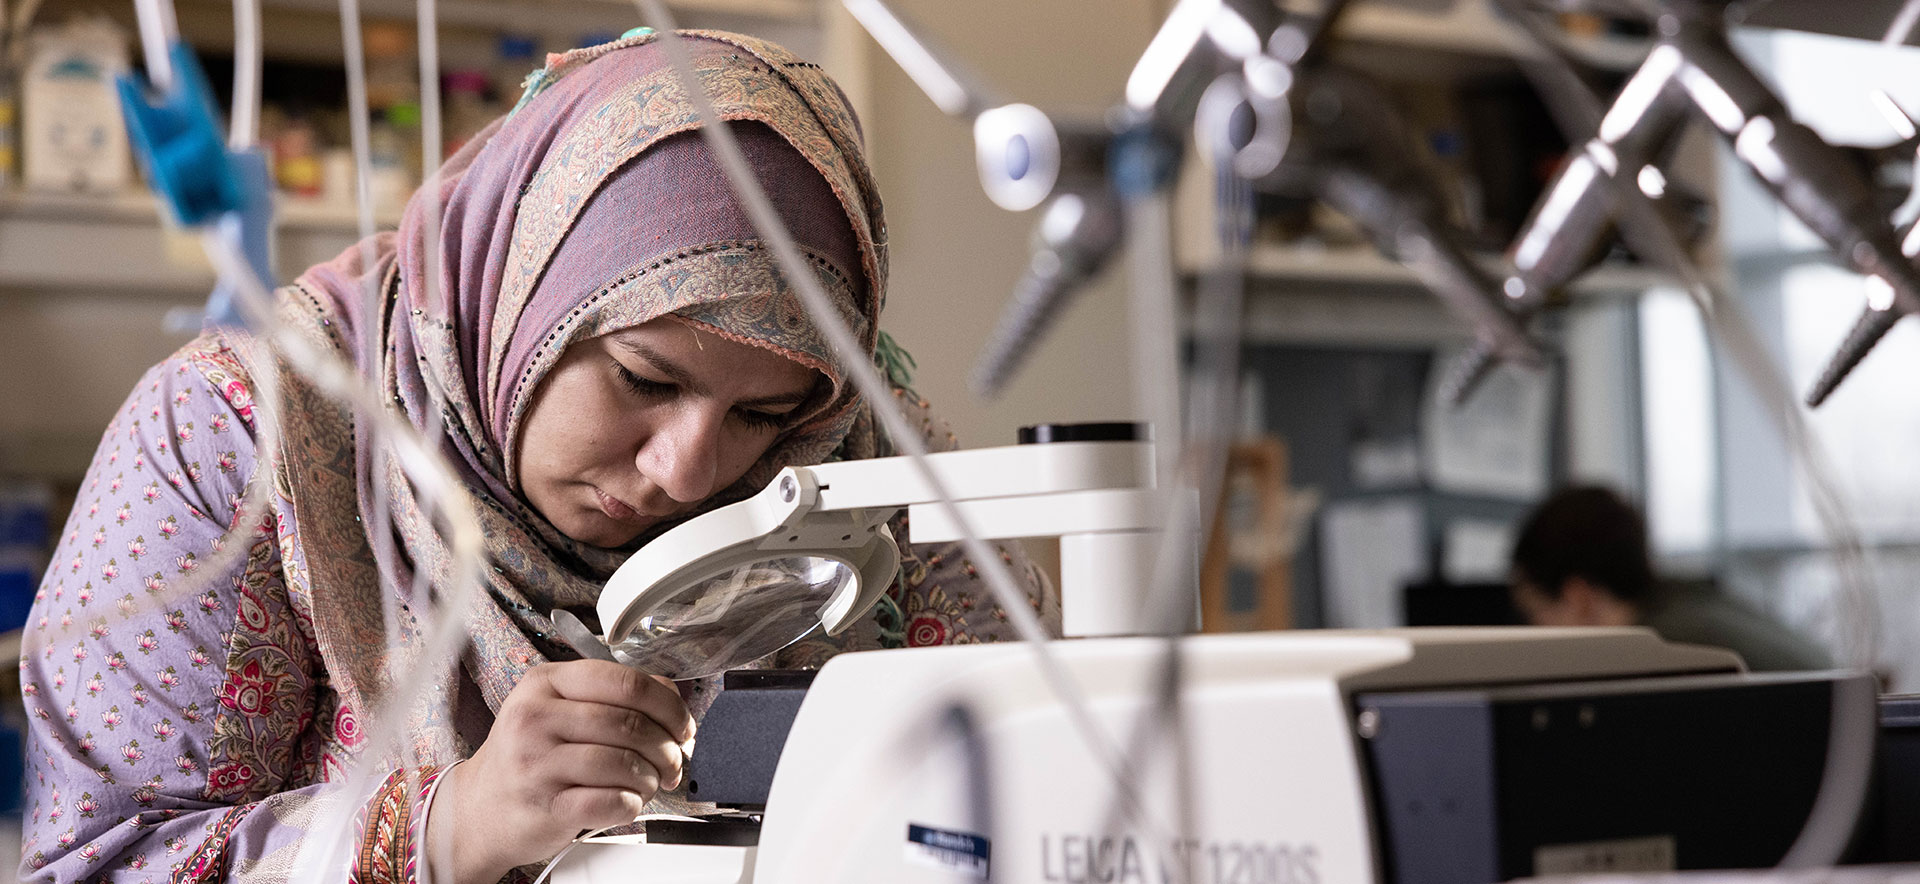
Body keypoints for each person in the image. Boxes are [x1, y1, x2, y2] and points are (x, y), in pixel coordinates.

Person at [18, 31, 1058, 884]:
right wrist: (447, 828)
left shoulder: (861, 456)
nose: (687, 471)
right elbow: (103, 861)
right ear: (521, 302)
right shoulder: (236, 441)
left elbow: (1038, 780)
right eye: (644, 380)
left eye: (762, 415)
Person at [1508, 485, 1828, 672]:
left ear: (1578, 599)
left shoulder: (1659, 656)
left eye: (1536, 613)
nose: (1537, 631)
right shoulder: (1700, 602)